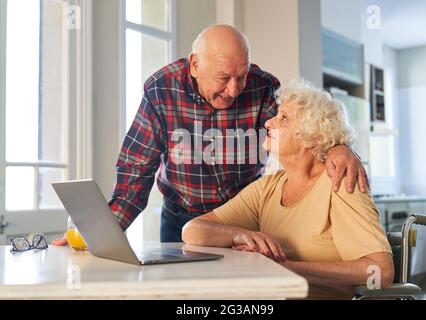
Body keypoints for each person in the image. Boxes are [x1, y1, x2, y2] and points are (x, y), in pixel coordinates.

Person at [53, 25, 367, 245]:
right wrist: (95, 236)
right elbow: (136, 171)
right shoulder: (162, 90)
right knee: (184, 297)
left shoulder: (262, 86)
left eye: (241, 76)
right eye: (223, 77)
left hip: (242, 216)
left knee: (237, 299)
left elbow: (303, 128)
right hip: (180, 216)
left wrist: (339, 147)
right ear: (194, 65)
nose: (233, 90)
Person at [182, 79, 393, 299]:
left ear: (315, 137)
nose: (268, 123)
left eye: (283, 118)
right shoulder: (267, 188)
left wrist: (286, 268)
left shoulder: (341, 182)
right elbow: (193, 231)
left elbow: (380, 273)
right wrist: (240, 235)